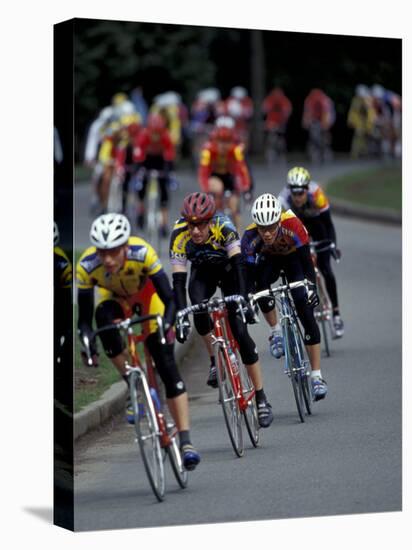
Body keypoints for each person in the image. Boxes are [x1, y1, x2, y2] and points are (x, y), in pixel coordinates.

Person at [76, 213, 200, 470]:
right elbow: (85, 321)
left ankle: (186, 441)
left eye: (113, 252)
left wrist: (167, 323)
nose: (107, 259)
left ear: (125, 247)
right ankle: (134, 382)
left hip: (148, 298)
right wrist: (87, 342)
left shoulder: (143, 253)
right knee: (103, 321)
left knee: (166, 365)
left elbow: (170, 299)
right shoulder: (87, 265)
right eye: (102, 252)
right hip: (114, 301)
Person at [170, 192, 274, 428]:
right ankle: (214, 362)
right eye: (191, 225)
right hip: (202, 273)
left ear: (210, 220)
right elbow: (178, 281)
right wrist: (180, 316)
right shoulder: (179, 234)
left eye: (201, 225)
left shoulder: (224, 226)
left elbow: (239, 266)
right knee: (198, 310)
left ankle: (261, 398)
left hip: (229, 272)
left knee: (239, 330)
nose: (195, 231)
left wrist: (244, 300)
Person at [241, 193, 328, 401]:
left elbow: (307, 264)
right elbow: (248, 277)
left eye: (271, 227)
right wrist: (249, 299)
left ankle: (317, 376)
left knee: (304, 307)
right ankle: (275, 332)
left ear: (279, 220)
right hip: (268, 262)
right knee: (261, 286)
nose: (267, 233)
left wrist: (311, 289)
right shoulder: (249, 237)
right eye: (262, 229)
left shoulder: (293, 224)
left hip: (294, 261)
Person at [278, 167, 344, 337]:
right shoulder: (283, 200)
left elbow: (328, 224)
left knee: (326, 268)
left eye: (301, 192)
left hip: (317, 225)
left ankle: (336, 314)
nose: (298, 196)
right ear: (289, 189)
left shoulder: (317, 194)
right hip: (298, 227)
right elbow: (282, 230)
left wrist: (332, 246)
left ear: (307, 189)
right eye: (294, 192)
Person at [198, 120, 252, 229]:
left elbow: (243, 170)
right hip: (215, 176)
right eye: (221, 142)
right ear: (216, 141)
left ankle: (238, 238)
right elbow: (203, 173)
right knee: (218, 189)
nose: (224, 145)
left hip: (229, 177)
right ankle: (215, 222)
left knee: (234, 208)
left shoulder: (236, 150)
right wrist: (206, 189)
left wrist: (246, 187)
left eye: (227, 142)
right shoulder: (208, 150)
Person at [132, 112, 176, 236]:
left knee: (164, 188)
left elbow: (170, 154)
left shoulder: (166, 136)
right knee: (141, 184)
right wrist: (139, 169)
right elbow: (138, 153)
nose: (156, 136)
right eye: (154, 132)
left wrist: (169, 172)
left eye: (158, 133)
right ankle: (141, 210)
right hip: (146, 161)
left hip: (161, 161)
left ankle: (163, 222)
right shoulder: (143, 135)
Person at [347, 85, 376, 159]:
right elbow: (353, 112)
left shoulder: (368, 101)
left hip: (366, 123)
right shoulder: (356, 101)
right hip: (359, 123)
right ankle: (356, 153)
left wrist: (371, 123)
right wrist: (351, 121)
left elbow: (370, 113)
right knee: (358, 137)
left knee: (365, 138)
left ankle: (364, 152)